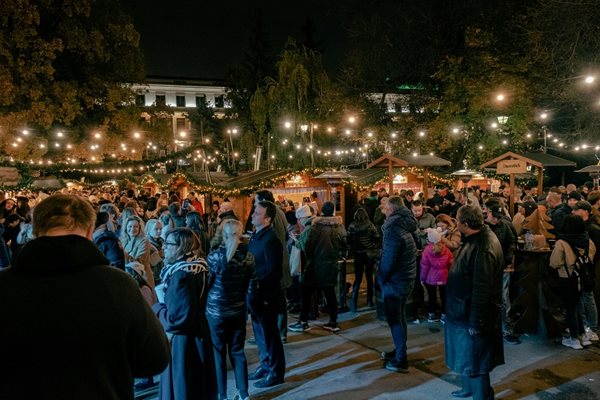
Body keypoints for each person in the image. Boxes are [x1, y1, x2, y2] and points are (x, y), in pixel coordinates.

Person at [0, 194, 170, 399]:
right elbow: (154, 358)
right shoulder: (118, 285)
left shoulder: (5, 284)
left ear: (35, 231)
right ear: (90, 231)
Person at [445, 205, 504, 400]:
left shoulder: (483, 246)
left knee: (476, 361)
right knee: (465, 357)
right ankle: (468, 388)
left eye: (457, 221)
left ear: (466, 224)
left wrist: (476, 321)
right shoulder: (473, 239)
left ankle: (481, 396)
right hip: (461, 310)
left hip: (471, 313)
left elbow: (482, 289)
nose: (455, 224)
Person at [153, 227, 217, 400]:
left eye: (168, 244)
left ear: (181, 247)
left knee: (184, 387)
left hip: (184, 341)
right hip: (198, 333)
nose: (164, 247)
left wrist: (157, 308)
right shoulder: (198, 267)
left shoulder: (181, 274)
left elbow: (176, 318)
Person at [206, 220, 258, 400]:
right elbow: (251, 284)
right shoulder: (248, 257)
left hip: (216, 312)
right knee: (237, 351)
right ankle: (243, 393)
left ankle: (221, 395)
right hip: (238, 310)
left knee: (218, 353)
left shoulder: (215, 257)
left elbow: (208, 284)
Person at [289, 201, 347, 332]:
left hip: (315, 266)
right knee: (330, 294)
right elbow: (344, 245)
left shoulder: (316, 227)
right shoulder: (339, 226)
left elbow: (307, 247)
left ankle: (303, 321)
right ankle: (333, 322)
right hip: (331, 265)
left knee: (306, 293)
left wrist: (309, 256)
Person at [247, 201, 286, 388]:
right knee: (260, 334)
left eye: (257, 213)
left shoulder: (271, 240)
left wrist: (258, 285)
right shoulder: (256, 236)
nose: (253, 215)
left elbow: (274, 272)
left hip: (265, 296)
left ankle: (276, 372)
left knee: (270, 335)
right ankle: (265, 364)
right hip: (255, 295)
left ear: (268, 219)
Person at [378, 196, 418, 373]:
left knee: (395, 319)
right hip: (406, 277)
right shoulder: (407, 223)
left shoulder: (393, 228)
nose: (383, 211)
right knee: (400, 317)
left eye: (385, 208)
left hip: (396, 280)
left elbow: (389, 259)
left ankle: (401, 359)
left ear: (392, 210)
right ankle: (399, 351)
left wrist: (381, 278)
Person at [549, 214, 597, 350]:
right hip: (584, 278)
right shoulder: (587, 240)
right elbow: (592, 254)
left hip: (567, 278)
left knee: (570, 309)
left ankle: (574, 339)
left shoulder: (562, 242)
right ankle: (584, 336)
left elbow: (554, 262)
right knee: (580, 307)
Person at [347, 207, 379, 311]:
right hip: (369, 253)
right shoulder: (370, 225)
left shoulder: (352, 225)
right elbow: (376, 237)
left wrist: (353, 248)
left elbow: (349, 239)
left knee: (358, 277)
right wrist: (372, 246)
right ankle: (370, 301)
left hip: (358, 254)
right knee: (369, 277)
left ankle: (354, 302)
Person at [420, 228, 453, 323]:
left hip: (431, 278)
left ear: (429, 239)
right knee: (444, 296)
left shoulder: (427, 250)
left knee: (432, 296)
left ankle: (432, 315)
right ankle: (444, 314)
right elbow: (451, 263)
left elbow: (424, 266)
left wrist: (422, 278)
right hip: (444, 276)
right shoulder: (446, 249)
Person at [120, 215, 154, 288]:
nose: (132, 229)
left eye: (136, 226)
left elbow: (139, 262)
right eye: (130, 226)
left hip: (142, 279)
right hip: (128, 278)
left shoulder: (144, 241)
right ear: (126, 228)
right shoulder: (123, 240)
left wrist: (122, 253)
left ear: (140, 228)